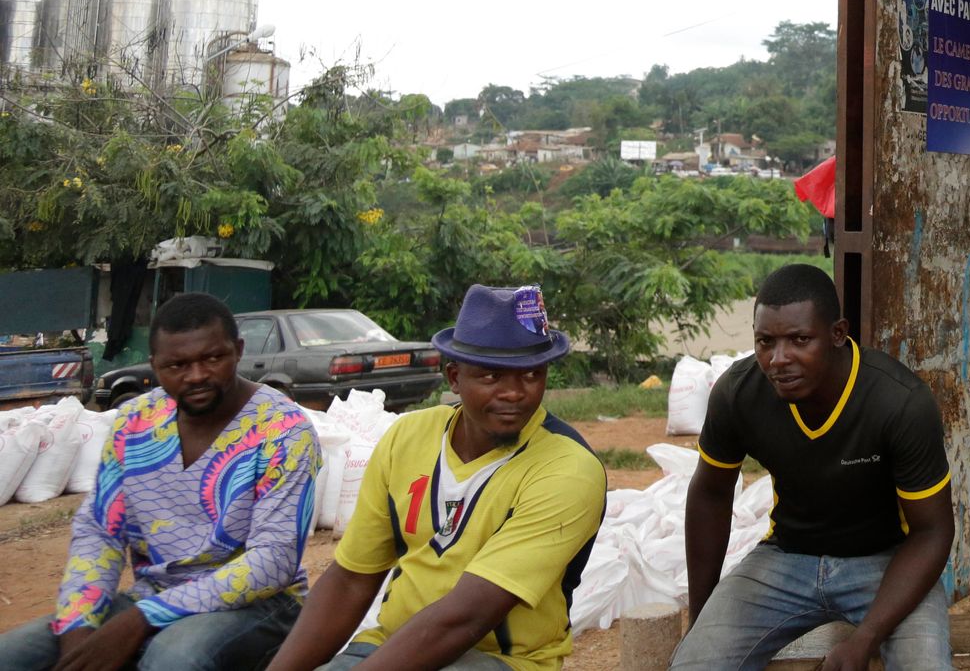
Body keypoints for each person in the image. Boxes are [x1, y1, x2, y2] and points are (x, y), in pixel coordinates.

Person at [266, 285, 604, 671]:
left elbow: (467, 617)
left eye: (532, 374)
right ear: (454, 378)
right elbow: (351, 580)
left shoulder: (566, 468)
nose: (514, 393)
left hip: (501, 660)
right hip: (391, 644)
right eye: (492, 376)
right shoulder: (407, 438)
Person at [0, 294, 318, 671]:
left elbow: (273, 562)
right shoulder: (135, 421)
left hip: (262, 603)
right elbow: (101, 532)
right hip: (154, 594)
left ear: (238, 350)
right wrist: (78, 627)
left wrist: (142, 619)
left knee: (173, 659)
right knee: (15, 654)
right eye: (177, 365)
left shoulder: (282, 429)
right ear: (154, 365)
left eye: (213, 358)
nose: (197, 375)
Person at [672, 264, 954, 671]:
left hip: (886, 563)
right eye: (765, 342)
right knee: (693, 665)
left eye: (799, 340)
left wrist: (865, 638)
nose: (778, 359)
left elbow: (933, 530)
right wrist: (700, 620)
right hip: (785, 558)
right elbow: (709, 495)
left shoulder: (899, 402)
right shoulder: (738, 394)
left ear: (838, 334)